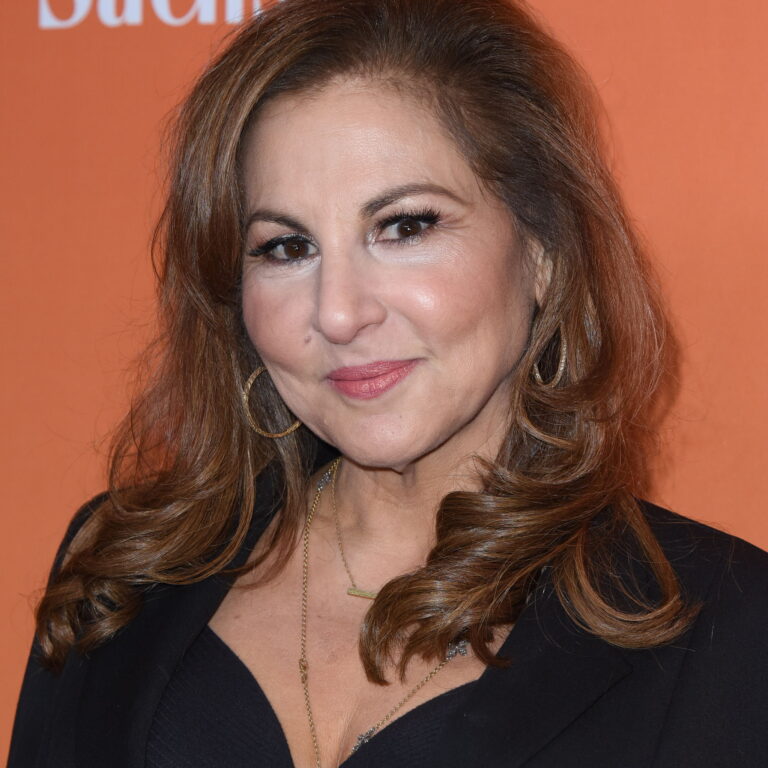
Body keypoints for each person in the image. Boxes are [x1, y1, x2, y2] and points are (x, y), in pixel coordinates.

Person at [9, 0, 768, 766]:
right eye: (286, 246)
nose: (338, 313)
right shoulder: (124, 567)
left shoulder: (729, 629)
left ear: (542, 251)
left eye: (405, 226)